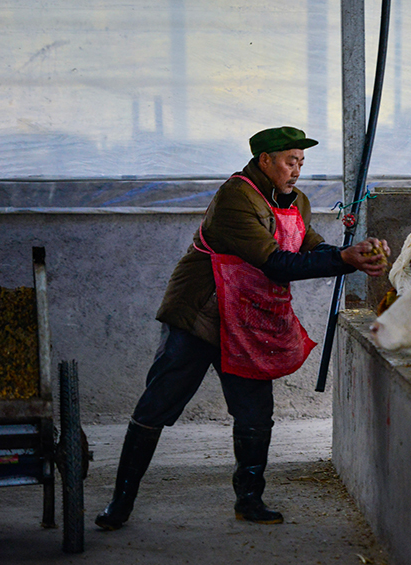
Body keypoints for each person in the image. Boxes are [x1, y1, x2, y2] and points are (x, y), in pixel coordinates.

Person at [96, 126, 390, 529]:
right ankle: (121, 502)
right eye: (290, 161)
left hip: (247, 318)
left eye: (301, 162)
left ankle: (250, 500)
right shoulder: (236, 196)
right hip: (201, 314)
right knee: (157, 405)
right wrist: (344, 259)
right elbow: (276, 263)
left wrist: (350, 253)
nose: (297, 170)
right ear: (265, 160)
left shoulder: (297, 202)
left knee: (255, 413)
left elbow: (309, 246)